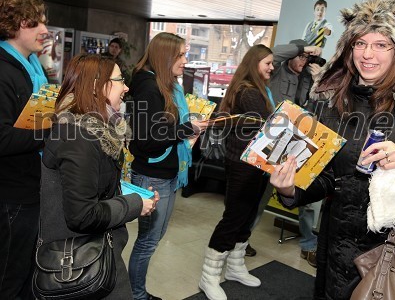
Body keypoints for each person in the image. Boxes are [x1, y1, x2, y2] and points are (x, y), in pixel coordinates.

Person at [270, 0, 395, 300]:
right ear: (348, 48)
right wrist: (291, 189)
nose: (367, 54)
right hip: (340, 253)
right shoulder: (332, 105)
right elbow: (328, 177)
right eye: (360, 43)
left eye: (381, 44)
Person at [40, 54, 158, 299]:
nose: (126, 87)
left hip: (93, 250)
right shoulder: (80, 137)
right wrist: (134, 204)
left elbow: (92, 184)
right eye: (120, 80)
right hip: (78, 260)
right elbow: (82, 215)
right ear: (97, 85)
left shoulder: (94, 129)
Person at [128, 32, 206, 300]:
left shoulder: (166, 85)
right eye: (181, 55)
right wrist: (185, 129)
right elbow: (147, 139)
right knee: (148, 241)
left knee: (153, 238)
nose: (185, 61)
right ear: (165, 57)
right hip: (152, 176)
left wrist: (187, 131)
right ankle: (137, 296)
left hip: (167, 172)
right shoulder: (148, 87)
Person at [199, 44, 275, 300]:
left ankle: (235, 267)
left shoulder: (255, 89)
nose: (272, 68)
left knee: (246, 216)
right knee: (234, 218)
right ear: (255, 64)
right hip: (244, 164)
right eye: (268, 63)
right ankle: (208, 277)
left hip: (255, 164)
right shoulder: (249, 92)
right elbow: (270, 126)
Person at [0, 0, 50, 299]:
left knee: (26, 274)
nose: (45, 30)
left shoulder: (32, 68)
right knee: (10, 275)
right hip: (12, 195)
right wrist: (52, 130)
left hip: (32, 185)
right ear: (14, 25)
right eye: (36, 23)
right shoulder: (5, 71)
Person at [268, 39, 324, 267]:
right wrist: (303, 49)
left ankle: (308, 245)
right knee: (258, 197)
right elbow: (274, 52)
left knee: (305, 195)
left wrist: (320, 76)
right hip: (271, 143)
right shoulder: (276, 71)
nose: (304, 61)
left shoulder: (308, 78)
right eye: (301, 57)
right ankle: (241, 240)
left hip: (296, 144)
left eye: (306, 58)